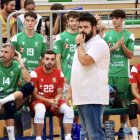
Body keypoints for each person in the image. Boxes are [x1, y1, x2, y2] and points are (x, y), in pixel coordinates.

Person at [71, 12, 110, 140]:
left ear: (94, 28)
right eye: (80, 27)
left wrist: (79, 45)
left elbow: (85, 61)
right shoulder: (85, 44)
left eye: (85, 27)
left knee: (95, 134)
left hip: (93, 97)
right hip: (83, 97)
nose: (82, 30)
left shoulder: (98, 43)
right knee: (88, 133)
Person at [103, 9, 135, 139]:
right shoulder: (106, 35)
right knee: (106, 103)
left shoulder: (129, 35)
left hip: (123, 74)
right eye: (113, 18)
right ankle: (105, 129)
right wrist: (114, 47)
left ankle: (122, 127)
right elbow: (103, 54)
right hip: (109, 74)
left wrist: (123, 46)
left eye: (117, 18)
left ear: (122, 19)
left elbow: (131, 55)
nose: (114, 20)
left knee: (123, 103)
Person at [30, 50, 74, 140]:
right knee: (41, 109)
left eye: (52, 59)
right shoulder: (34, 73)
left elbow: (59, 93)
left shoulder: (59, 73)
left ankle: (68, 137)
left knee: (69, 109)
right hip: (38, 101)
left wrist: (56, 100)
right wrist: (48, 101)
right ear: (42, 60)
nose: (49, 61)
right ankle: (38, 138)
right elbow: (34, 95)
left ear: (55, 61)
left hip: (53, 101)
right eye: (47, 59)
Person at [0, 43, 34, 140]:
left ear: (13, 55)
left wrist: (20, 62)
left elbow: (28, 80)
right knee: (10, 105)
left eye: (6, 52)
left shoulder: (16, 65)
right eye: (2, 51)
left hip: (10, 100)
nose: (2, 54)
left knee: (30, 87)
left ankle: (4, 100)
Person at [53, 11, 79, 84]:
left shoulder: (84, 36)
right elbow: (57, 58)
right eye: (72, 21)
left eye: (76, 20)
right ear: (68, 22)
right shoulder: (60, 37)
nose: (74, 23)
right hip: (66, 74)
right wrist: (61, 75)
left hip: (80, 74)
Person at [128, 64, 140, 140]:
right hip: (139, 98)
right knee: (132, 107)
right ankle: (135, 137)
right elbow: (134, 90)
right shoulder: (136, 69)